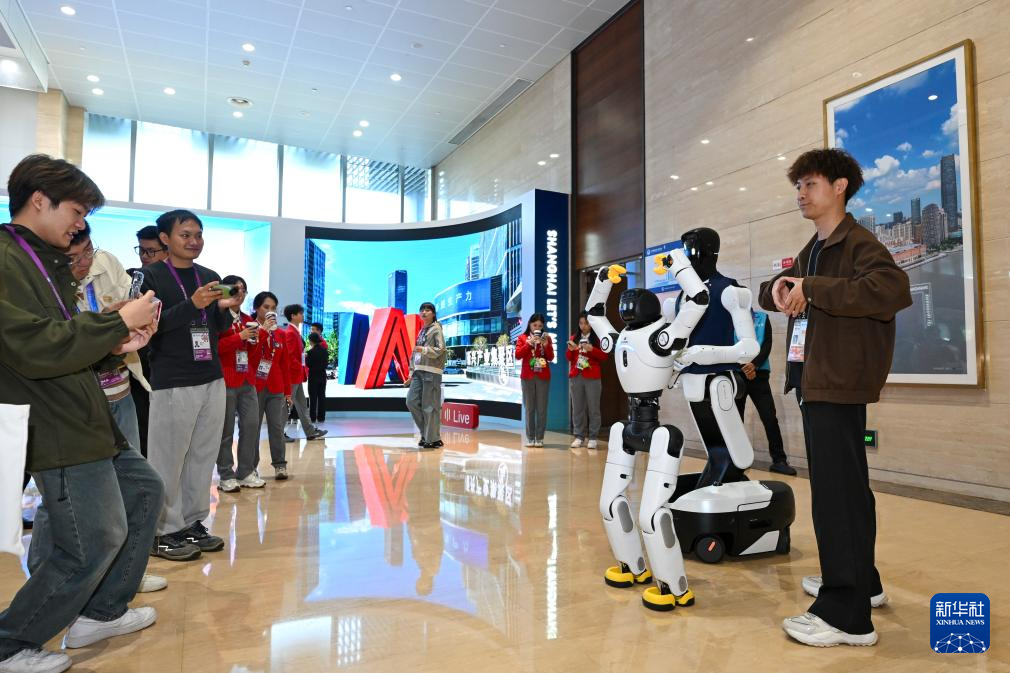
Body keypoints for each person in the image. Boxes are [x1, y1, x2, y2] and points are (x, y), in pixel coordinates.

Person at [0, 154, 164, 672]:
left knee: (144, 491)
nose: (80, 224)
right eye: (76, 211)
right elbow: (34, 347)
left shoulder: (42, 262)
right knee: (93, 541)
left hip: (85, 414)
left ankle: (100, 612)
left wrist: (114, 340)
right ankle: (9, 644)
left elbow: (64, 343)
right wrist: (115, 325)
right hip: (57, 423)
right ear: (39, 200)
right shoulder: (7, 261)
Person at [759, 148, 911, 648]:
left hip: (838, 382)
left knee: (836, 496)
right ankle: (863, 583)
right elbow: (786, 286)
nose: (801, 194)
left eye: (810, 184)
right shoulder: (818, 247)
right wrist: (780, 288)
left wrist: (813, 288)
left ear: (840, 186)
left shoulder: (859, 242)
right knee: (845, 489)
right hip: (817, 380)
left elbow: (891, 289)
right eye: (798, 186)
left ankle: (847, 615)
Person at [65, 224, 167, 594]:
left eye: (89, 251)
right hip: (80, 402)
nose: (84, 263)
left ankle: (126, 574)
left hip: (120, 389)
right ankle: (85, 587)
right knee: (77, 500)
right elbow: (64, 342)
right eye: (75, 257)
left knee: (136, 487)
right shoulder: (47, 284)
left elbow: (136, 302)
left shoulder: (106, 262)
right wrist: (107, 322)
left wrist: (134, 314)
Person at [142, 209, 241, 562]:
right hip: (172, 378)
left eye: (198, 234)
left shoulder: (209, 276)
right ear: (165, 238)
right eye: (185, 234)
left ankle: (192, 522)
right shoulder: (150, 276)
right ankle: (162, 531)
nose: (194, 241)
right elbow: (151, 327)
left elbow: (215, 328)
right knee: (168, 458)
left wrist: (225, 308)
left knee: (202, 454)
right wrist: (192, 304)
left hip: (211, 375)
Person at [216, 275, 264, 493]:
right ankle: (226, 475)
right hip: (225, 380)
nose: (240, 293)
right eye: (235, 289)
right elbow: (215, 347)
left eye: (243, 289)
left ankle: (245, 472)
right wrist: (240, 337)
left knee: (251, 426)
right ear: (225, 291)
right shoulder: (218, 317)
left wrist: (255, 340)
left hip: (247, 379)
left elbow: (252, 354)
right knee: (225, 431)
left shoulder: (247, 319)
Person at [124, 225, 167, 457]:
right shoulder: (130, 278)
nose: (144, 256)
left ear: (167, 250)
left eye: (151, 251)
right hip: (137, 363)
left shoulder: (175, 283)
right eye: (141, 250)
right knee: (141, 426)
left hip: (168, 366)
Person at [736, 310, 796, 475]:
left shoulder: (763, 318)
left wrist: (754, 365)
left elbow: (767, 344)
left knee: (769, 417)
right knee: (736, 419)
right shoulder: (729, 318)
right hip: (737, 374)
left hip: (760, 374)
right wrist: (744, 366)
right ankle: (737, 460)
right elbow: (727, 344)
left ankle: (779, 460)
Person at [251, 292, 293, 479]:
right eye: (266, 307)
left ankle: (280, 465)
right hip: (254, 386)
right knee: (252, 428)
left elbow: (285, 365)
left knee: (276, 427)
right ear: (256, 308)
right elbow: (250, 356)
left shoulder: (281, 334)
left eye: (273, 308)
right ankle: (250, 467)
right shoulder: (250, 329)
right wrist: (263, 332)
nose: (270, 311)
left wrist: (288, 391)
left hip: (276, 387)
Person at [280, 304, 327, 440]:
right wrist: (300, 368)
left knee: (301, 405)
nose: (303, 315)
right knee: (287, 405)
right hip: (292, 376)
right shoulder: (290, 333)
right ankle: (279, 433)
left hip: (296, 376)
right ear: (293, 316)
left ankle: (310, 432)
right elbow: (289, 357)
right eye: (300, 313)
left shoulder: (295, 332)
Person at [405, 302, 446, 449]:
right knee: (411, 402)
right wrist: (411, 372)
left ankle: (432, 439)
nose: (424, 312)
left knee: (430, 406)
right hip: (418, 371)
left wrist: (424, 350)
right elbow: (415, 353)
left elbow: (441, 349)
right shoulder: (422, 331)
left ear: (433, 314)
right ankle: (428, 435)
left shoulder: (436, 329)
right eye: (422, 310)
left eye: (427, 310)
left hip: (431, 371)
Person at [566, 311, 606, 449]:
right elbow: (568, 358)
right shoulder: (574, 337)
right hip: (576, 376)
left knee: (593, 408)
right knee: (577, 408)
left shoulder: (598, 339)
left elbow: (604, 356)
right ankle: (579, 436)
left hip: (592, 377)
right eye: (581, 323)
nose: (583, 326)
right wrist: (571, 349)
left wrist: (592, 349)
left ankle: (593, 437)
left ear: (591, 324)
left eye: (586, 323)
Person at [515, 313, 553, 447]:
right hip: (527, 377)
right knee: (529, 408)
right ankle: (530, 438)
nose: (537, 328)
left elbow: (551, 357)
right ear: (529, 325)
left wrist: (546, 345)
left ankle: (540, 438)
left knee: (542, 409)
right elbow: (517, 355)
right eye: (534, 325)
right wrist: (529, 344)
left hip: (543, 376)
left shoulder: (546, 338)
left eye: (540, 326)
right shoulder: (522, 338)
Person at [305, 332, 328, 424]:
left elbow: (308, 364)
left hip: (313, 376)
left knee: (313, 397)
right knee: (322, 396)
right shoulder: (325, 351)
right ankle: (321, 417)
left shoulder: (310, 352)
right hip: (322, 376)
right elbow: (326, 364)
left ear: (311, 341)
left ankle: (313, 417)